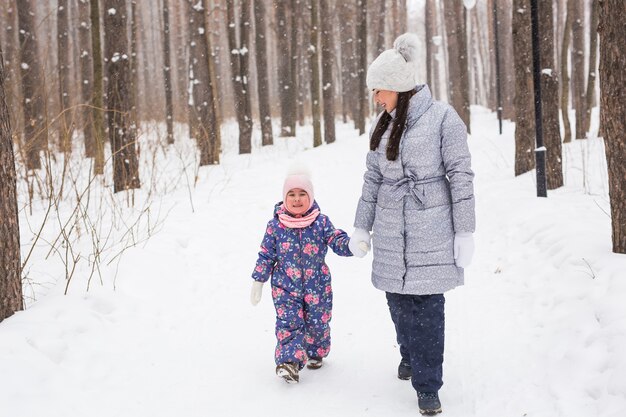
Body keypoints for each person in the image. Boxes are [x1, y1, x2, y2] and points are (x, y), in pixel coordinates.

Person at [350, 33, 475, 415]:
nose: (376, 98)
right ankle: (409, 351)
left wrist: (464, 229)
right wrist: (361, 226)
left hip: (430, 227)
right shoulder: (383, 123)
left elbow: (461, 173)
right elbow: (372, 178)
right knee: (398, 301)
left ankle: (427, 385)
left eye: (379, 90)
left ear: (399, 88)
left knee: (427, 305)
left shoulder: (442, 118)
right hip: (390, 226)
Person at [250, 168, 367, 384]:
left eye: (302, 194)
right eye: (291, 195)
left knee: (318, 324)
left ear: (310, 197)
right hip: (285, 287)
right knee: (289, 323)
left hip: (318, 286)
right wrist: (259, 280)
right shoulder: (275, 226)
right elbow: (266, 255)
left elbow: (335, 240)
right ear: (284, 198)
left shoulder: (320, 222)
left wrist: (352, 245)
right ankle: (289, 363)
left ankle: (316, 351)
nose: (296, 199)